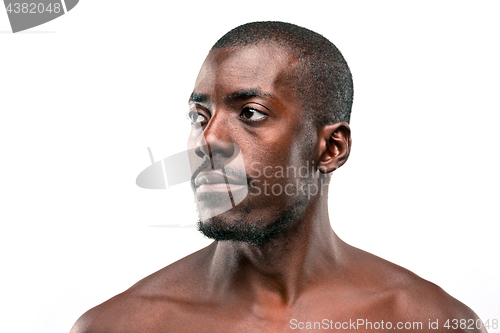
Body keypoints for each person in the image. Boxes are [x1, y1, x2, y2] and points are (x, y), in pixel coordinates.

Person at [70, 21, 487, 332]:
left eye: (250, 112)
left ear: (331, 148)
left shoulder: (430, 322)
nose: (206, 140)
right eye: (199, 116)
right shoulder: (121, 326)